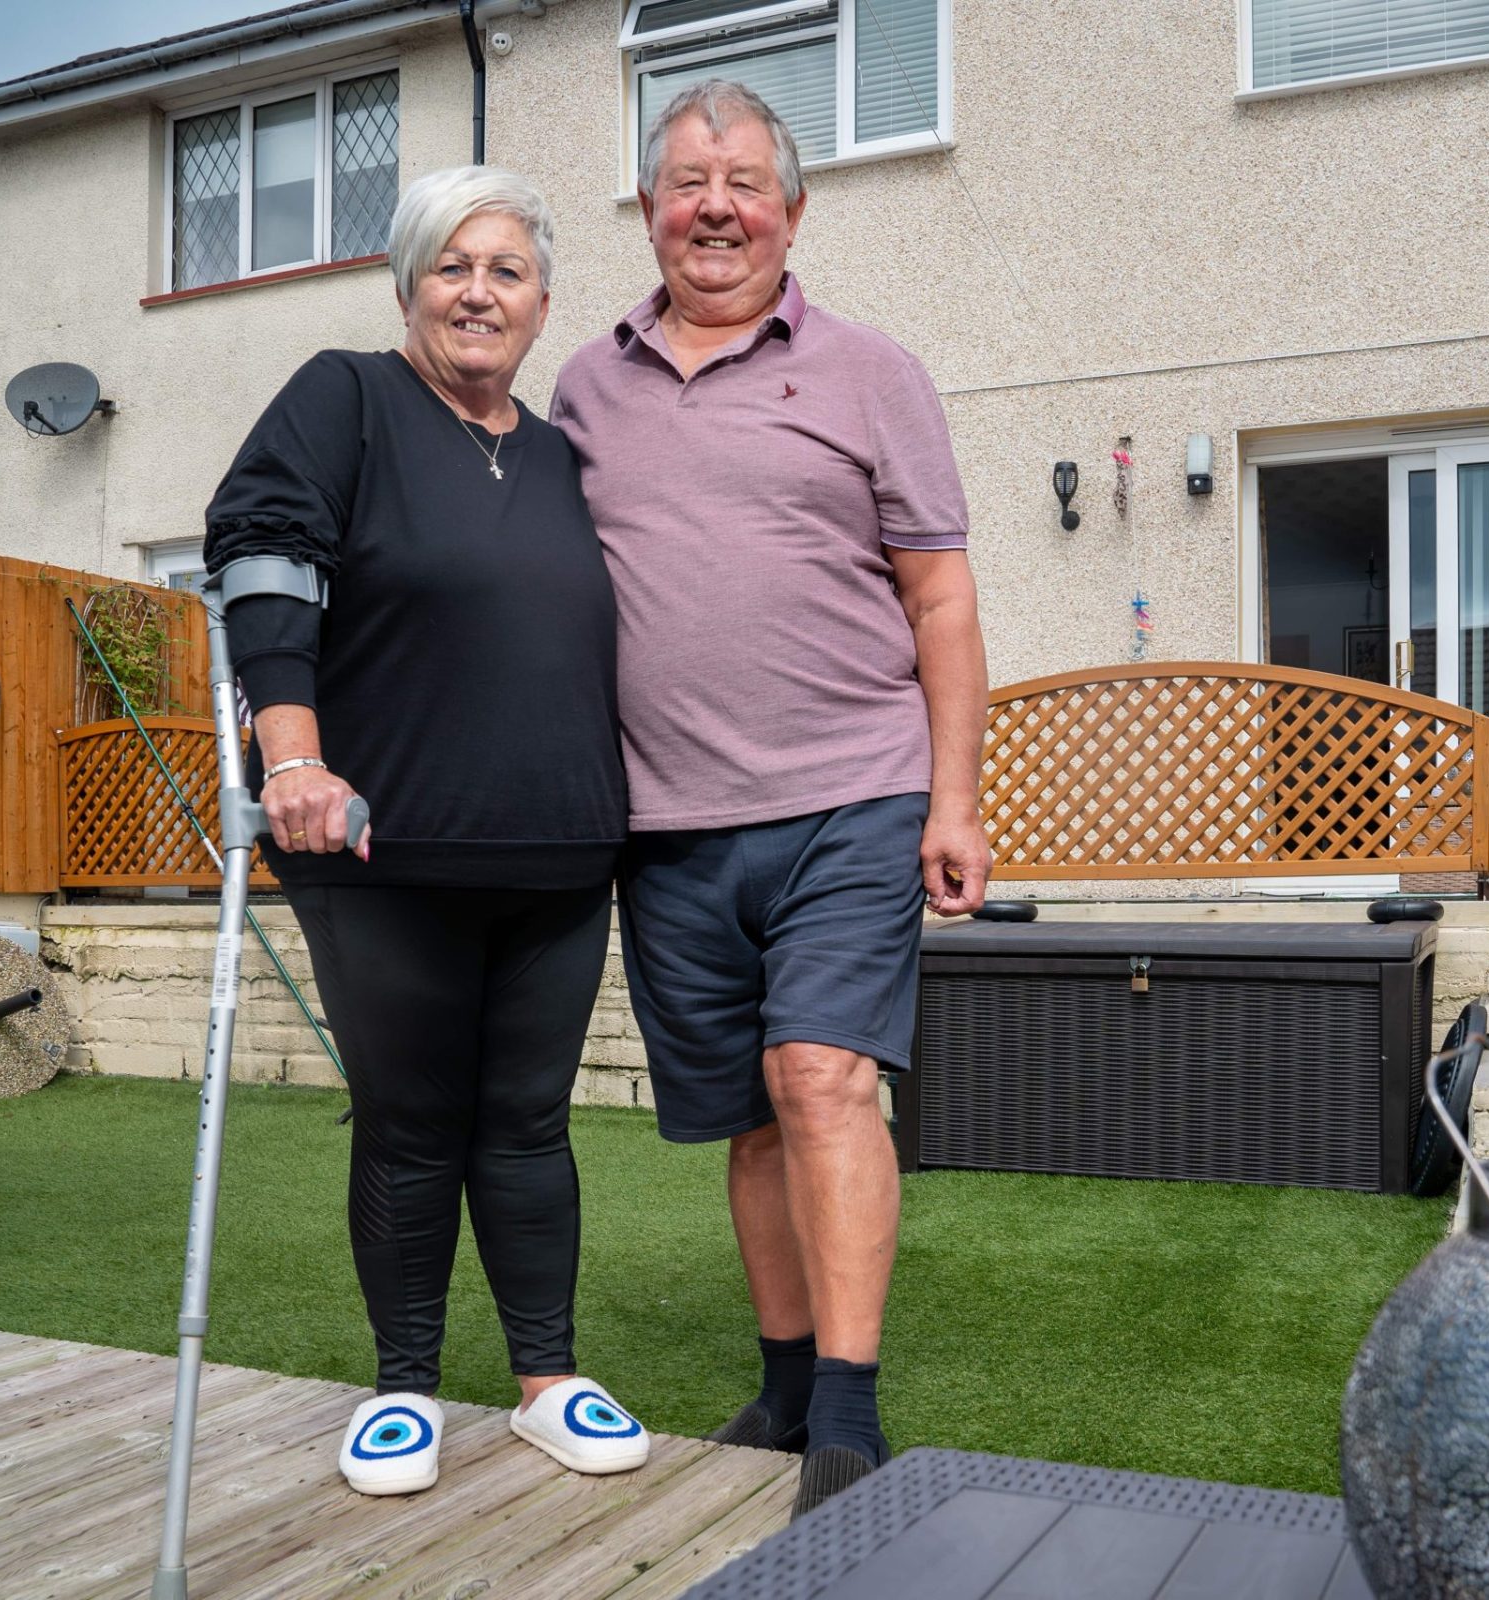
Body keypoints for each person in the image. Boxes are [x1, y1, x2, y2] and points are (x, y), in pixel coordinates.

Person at [551, 82, 990, 1517]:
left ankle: (848, 1418)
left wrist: (956, 799)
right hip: (665, 826)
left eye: (745, 180)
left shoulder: (874, 373)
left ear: (793, 211)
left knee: (823, 1081)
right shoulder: (586, 389)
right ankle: (786, 1382)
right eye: (688, 180)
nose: (717, 204)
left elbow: (941, 601)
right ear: (652, 209)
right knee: (749, 1116)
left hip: (851, 797)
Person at [203, 167, 649, 1497]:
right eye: (451, 265)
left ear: (543, 302)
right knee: (410, 1123)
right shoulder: (347, 400)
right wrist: (295, 756)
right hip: (384, 850)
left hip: (561, 856)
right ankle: (403, 1387)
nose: (478, 291)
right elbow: (264, 553)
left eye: (506, 270)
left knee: (526, 1122)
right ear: (407, 285)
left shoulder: (568, 454)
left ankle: (547, 1382)